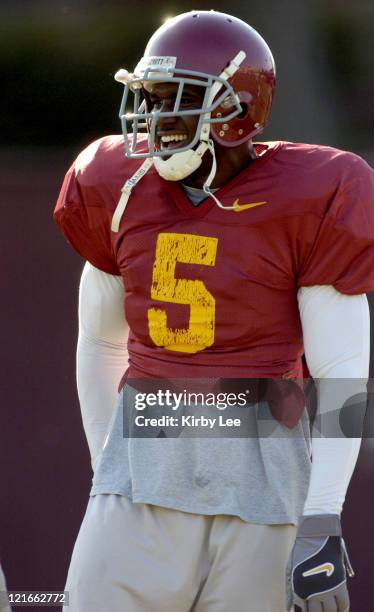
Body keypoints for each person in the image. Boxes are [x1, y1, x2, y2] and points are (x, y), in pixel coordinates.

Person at [54, 10, 374, 612]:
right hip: (144, 478)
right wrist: (108, 477)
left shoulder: (316, 193)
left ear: (239, 107)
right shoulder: (114, 183)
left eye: (179, 99)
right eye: (149, 97)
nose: (157, 118)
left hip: (263, 488)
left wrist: (322, 519)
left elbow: (344, 377)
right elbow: (98, 344)